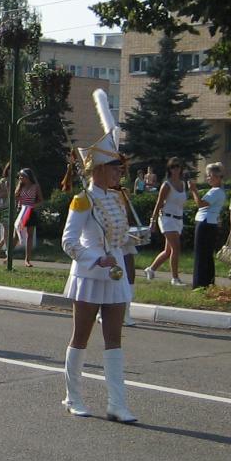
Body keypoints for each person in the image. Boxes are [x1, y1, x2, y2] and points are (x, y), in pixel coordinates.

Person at [60, 92, 138, 423]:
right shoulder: (82, 200)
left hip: (116, 273)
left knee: (114, 340)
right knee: (81, 337)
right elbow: (68, 241)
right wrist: (95, 258)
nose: (120, 174)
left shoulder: (118, 199)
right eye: (114, 169)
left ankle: (117, 404)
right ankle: (72, 396)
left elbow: (118, 235)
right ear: (99, 171)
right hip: (90, 276)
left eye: (119, 169)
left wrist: (131, 241)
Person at [143, 159, 188, 285]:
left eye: (178, 166)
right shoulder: (167, 185)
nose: (176, 169)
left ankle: (151, 269)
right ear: (169, 169)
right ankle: (175, 278)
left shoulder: (183, 184)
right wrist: (153, 220)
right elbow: (159, 203)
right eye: (173, 167)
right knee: (176, 248)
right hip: (167, 219)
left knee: (168, 251)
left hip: (178, 219)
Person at [190, 163, 228, 290]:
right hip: (210, 222)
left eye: (210, 176)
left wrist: (194, 191)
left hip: (205, 222)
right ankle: (208, 282)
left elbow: (201, 204)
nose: (208, 178)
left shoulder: (216, 191)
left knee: (201, 254)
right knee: (206, 254)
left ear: (217, 177)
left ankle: (200, 283)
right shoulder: (217, 191)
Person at [14, 168, 43, 266]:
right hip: (21, 211)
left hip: (30, 211)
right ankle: (8, 256)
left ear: (28, 177)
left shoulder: (35, 186)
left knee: (29, 236)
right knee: (16, 236)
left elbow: (41, 200)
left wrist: (32, 206)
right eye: (20, 176)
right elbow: (15, 197)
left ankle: (27, 259)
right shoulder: (20, 186)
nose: (20, 178)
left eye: (22, 176)